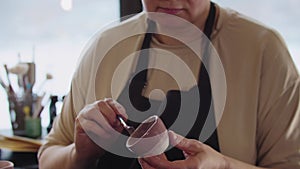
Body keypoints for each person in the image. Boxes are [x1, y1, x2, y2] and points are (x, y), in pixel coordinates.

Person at [38, 0, 300, 169]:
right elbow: (48, 156)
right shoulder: (106, 46)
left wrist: (222, 166)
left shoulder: (261, 49)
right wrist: (79, 154)